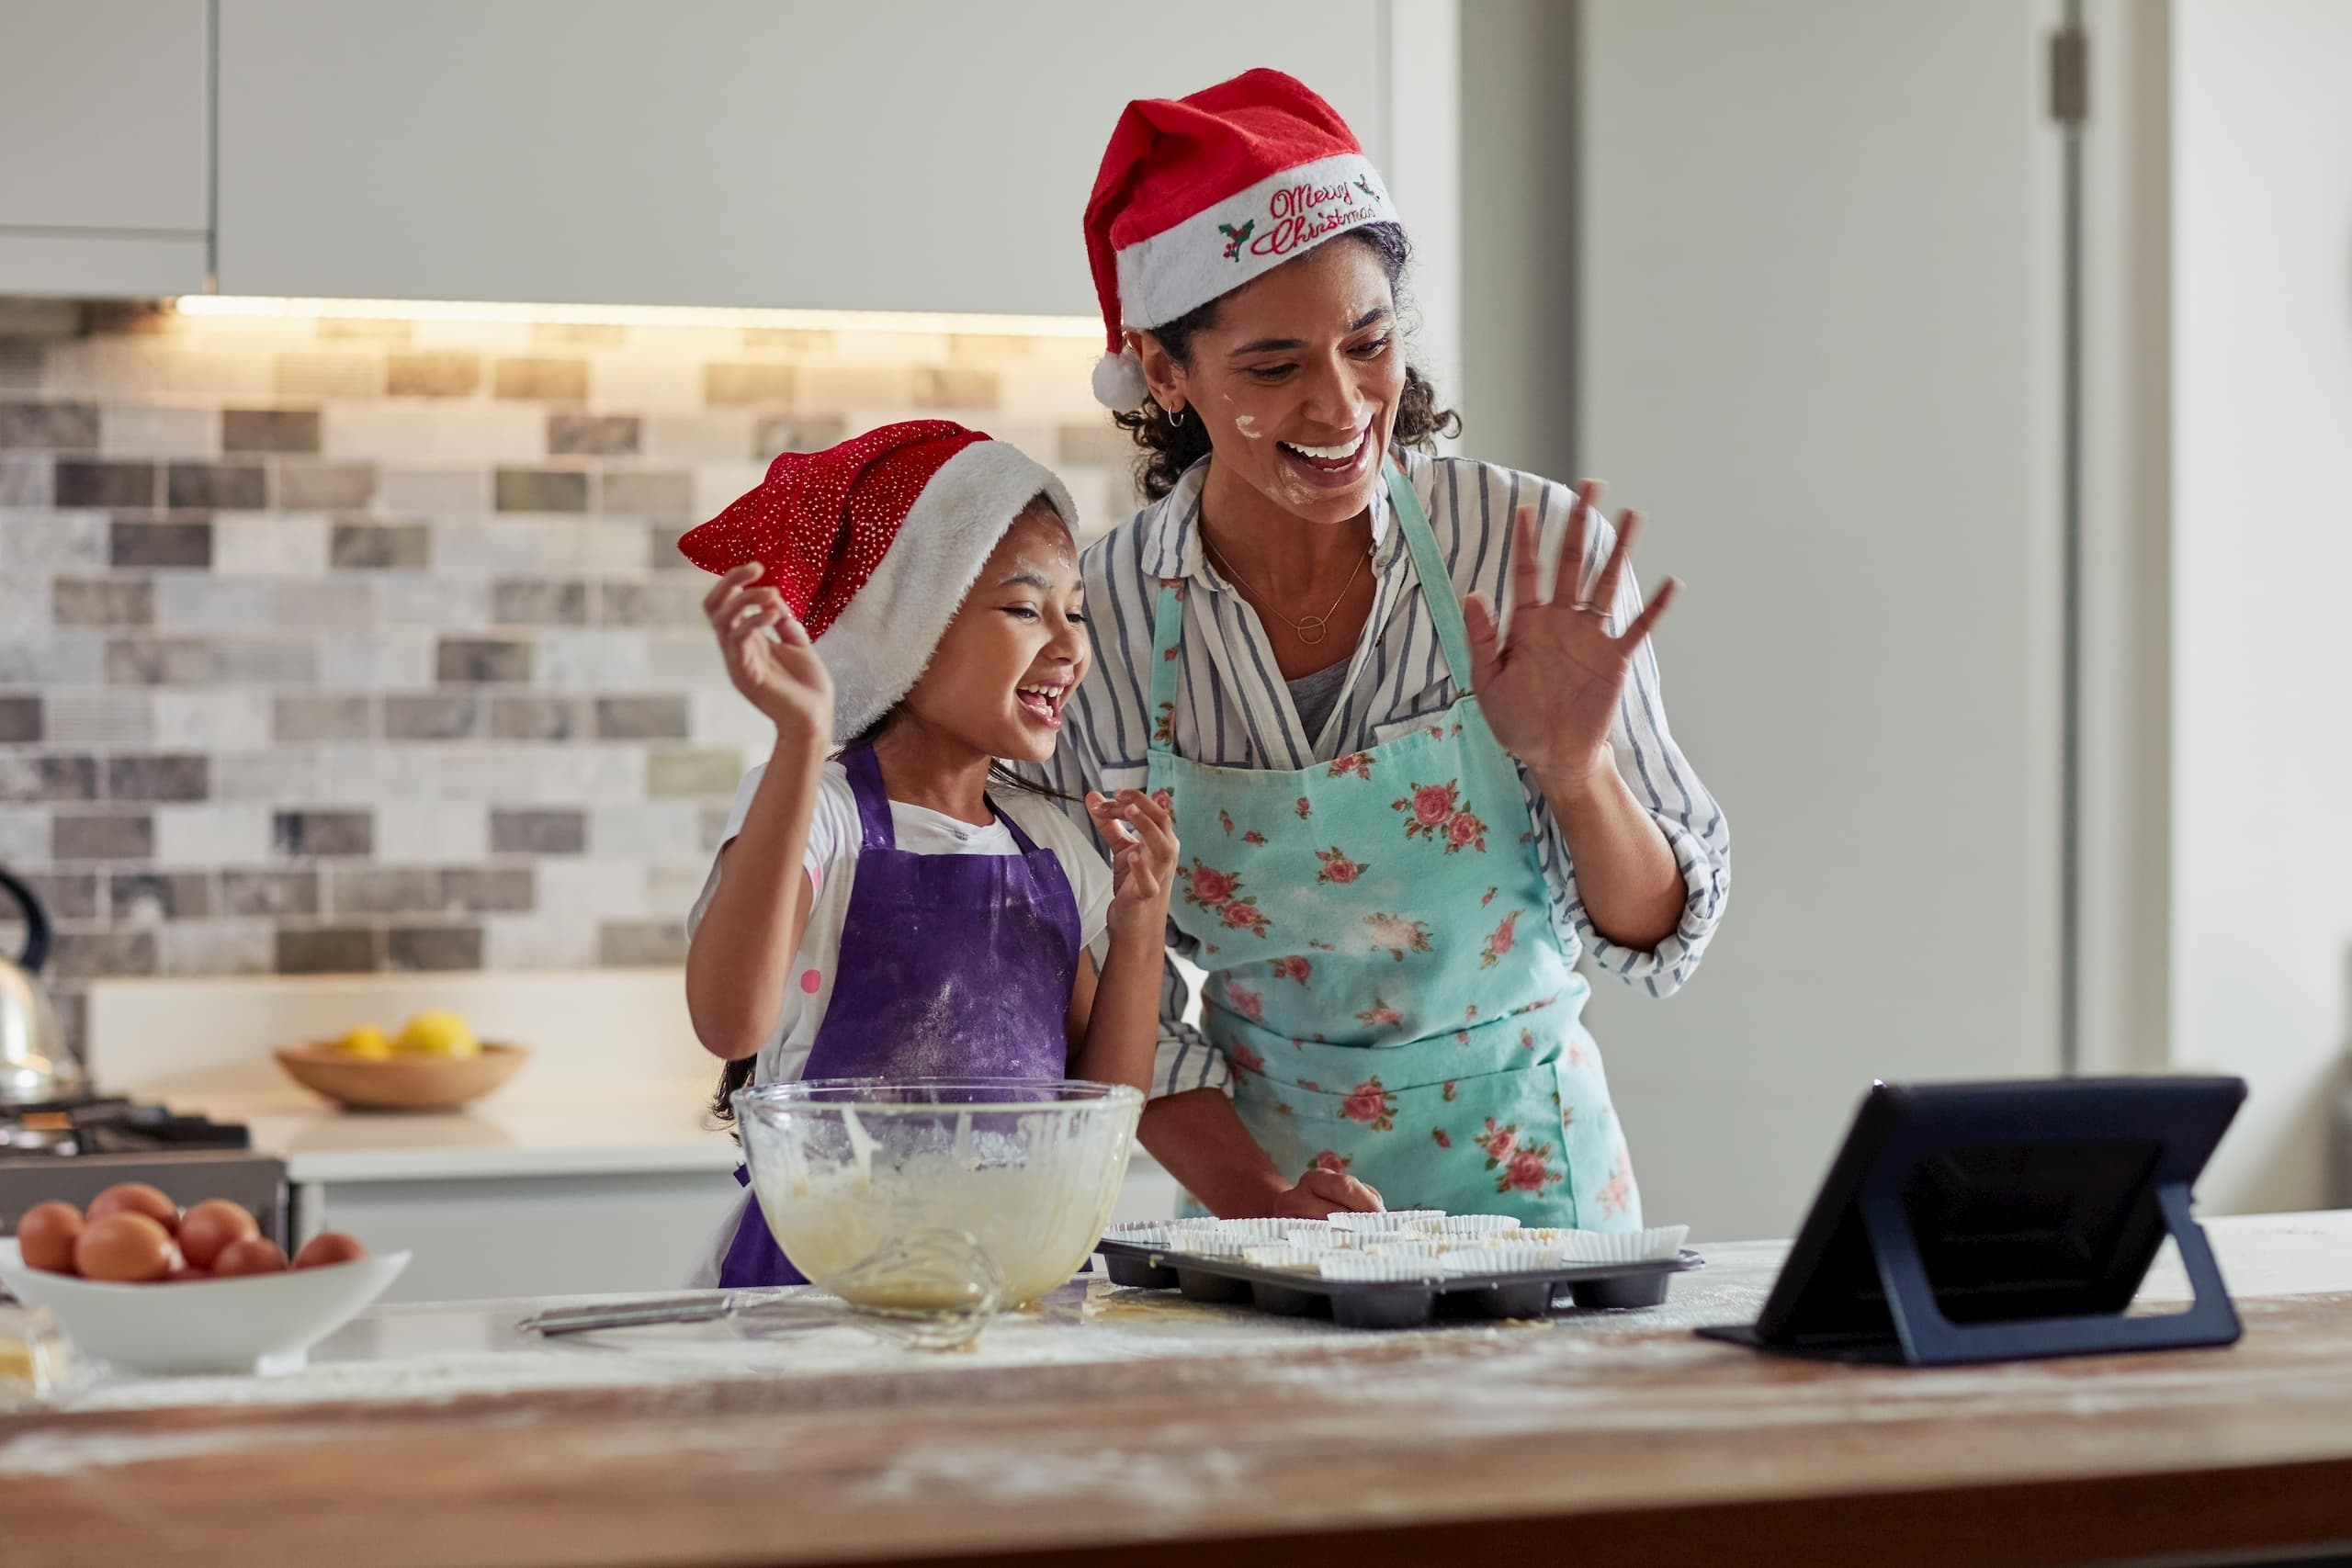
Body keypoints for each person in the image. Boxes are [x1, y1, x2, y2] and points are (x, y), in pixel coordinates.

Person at [1023, 70, 1732, 1229]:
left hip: (1538, 1187)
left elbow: (1657, 933)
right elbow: (1112, 1016)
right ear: (1164, 371)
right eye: (1272, 366)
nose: (1341, 404)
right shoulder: (1095, 622)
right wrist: (1277, 1215)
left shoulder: (1524, 549)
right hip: (1269, 1198)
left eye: (1368, 342)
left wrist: (1577, 771)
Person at [677, 421, 1178, 1287]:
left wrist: (1138, 931)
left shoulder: (1052, 847)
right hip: (820, 1284)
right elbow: (731, 1023)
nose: (1068, 644)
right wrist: (802, 736)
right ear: (910, 625)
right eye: (1025, 609)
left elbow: (1098, 1119)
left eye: (1075, 612)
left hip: (1010, 1283)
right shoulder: (817, 814)